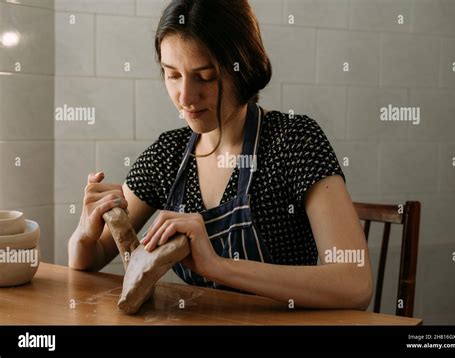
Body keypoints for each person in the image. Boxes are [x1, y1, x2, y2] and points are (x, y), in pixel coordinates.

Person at [68, 0, 373, 310]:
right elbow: (88, 261)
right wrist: (84, 231)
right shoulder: (168, 155)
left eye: (205, 76)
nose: (185, 97)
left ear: (243, 68)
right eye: (172, 75)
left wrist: (215, 265)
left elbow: (355, 284)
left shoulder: (293, 141)